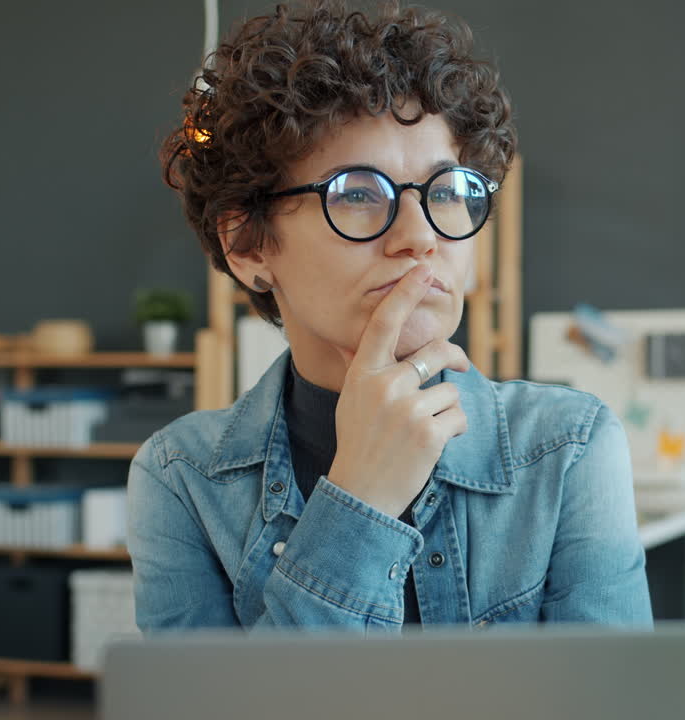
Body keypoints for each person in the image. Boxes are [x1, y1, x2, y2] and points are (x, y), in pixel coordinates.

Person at [128, 0, 652, 632]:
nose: (419, 236)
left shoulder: (568, 451)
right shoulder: (181, 478)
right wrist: (358, 501)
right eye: (356, 193)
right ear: (248, 247)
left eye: (447, 191)